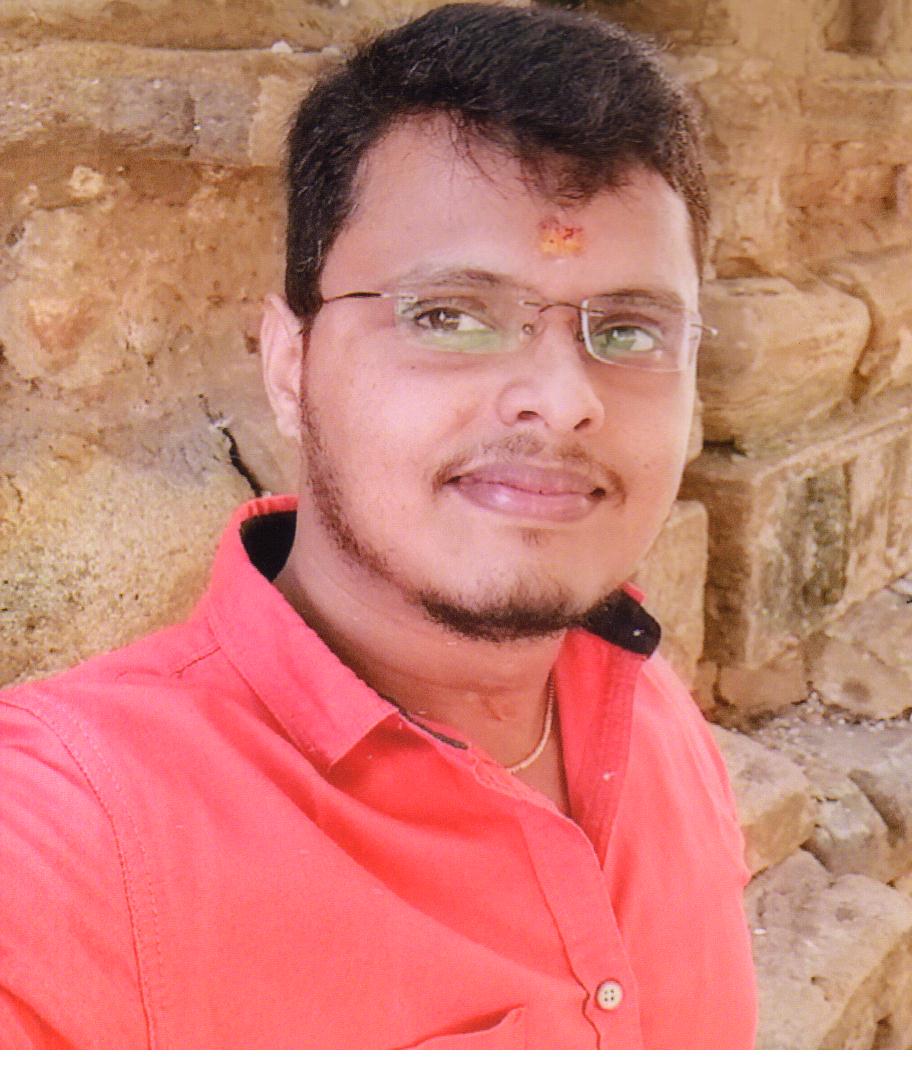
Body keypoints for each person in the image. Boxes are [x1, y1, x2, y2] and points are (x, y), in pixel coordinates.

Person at [0, 3, 756, 1049]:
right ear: (290, 364)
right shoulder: (78, 833)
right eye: (449, 314)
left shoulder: (650, 713)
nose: (561, 399)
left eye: (628, 330)